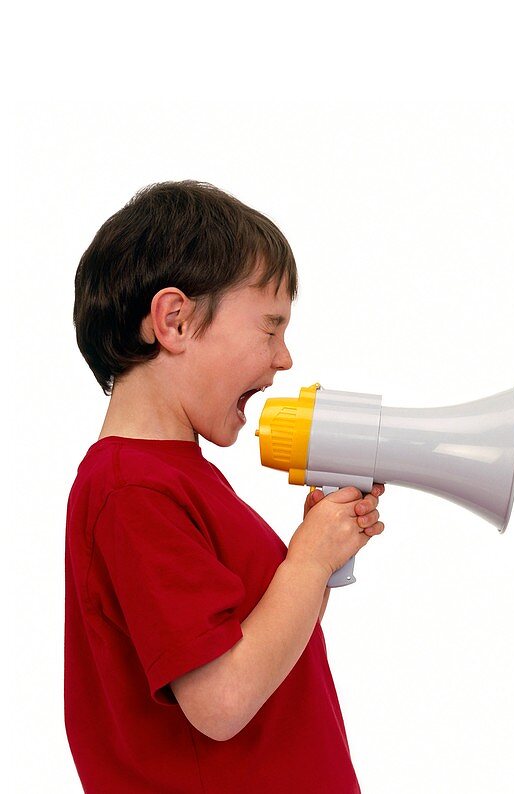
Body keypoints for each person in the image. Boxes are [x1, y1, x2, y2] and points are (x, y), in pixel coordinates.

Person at [66, 181, 384, 792]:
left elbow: (266, 649)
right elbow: (222, 700)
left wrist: (318, 557)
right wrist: (308, 561)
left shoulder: (177, 478)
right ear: (175, 321)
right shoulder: (133, 489)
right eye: (270, 329)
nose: (284, 358)